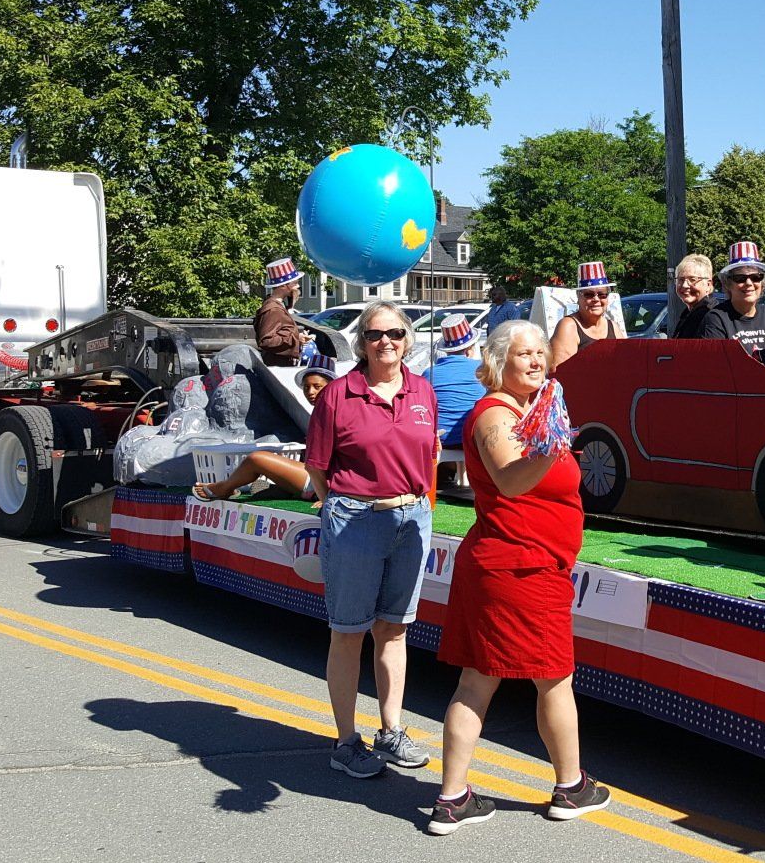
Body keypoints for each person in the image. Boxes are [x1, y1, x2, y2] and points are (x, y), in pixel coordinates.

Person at [430, 320, 611, 834]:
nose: (536, 361)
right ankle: (571, 787)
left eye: (539, 354)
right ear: (497, 364)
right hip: (519, 567)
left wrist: (548, 431)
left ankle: (452, 798)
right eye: (523, 355)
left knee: (478, 681)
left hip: (522, 564)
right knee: (552, 680)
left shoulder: (532, 411)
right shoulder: (493, 414)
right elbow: (510, 480)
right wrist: (551, 446)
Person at [304, 302, 437, 778]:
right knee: (348, 631)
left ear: (408, 339)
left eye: (396, 333)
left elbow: (430, 456)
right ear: (361, 341)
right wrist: (342, 507)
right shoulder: (339, 395)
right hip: (357, 518)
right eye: (376, 334)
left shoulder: (422, 390)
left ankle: (391, 729)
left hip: (411, 516)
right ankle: (345, 741)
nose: (387, 341)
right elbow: (317, 466)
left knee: (395, 628)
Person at [193, 362, 337, 500]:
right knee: (263, 464)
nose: (311, 392)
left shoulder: (331, 413)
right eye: (306, 387)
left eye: (317, 386)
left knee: (256, 459)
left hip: (325, 484)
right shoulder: (324, 411)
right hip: (319, 477)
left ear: (331, 386)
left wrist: (326, 497)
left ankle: (223, 488)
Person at [700, 241, 765, 371]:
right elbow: (716, 370)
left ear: (762, 283)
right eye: (740, 278)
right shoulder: (717, 320)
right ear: (728, 284)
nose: (749, 283)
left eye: (756, 277)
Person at [549, 261, 626, 369]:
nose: (596, 299)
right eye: (589, 294)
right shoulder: (568, 326)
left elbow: (626, 361)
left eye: (602, 294)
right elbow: (561, 373)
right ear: (578, 297)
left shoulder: (613, 326)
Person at [427, 317, 486, 448]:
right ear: (469, 349)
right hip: (475, 439)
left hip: (442, 440)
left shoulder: (429, 373)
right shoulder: (483, 369)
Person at [255, 257, 312, 367]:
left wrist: (297, 336)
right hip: (277, 366)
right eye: (295, 283)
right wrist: (297, 339)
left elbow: (281, 332)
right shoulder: (273, 309)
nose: (298, 286)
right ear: (283, 286)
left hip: (281, 364)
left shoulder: (278, 306)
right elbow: (266, 341)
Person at [668, 253, 717, 339]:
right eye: (681, 279)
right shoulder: (689, 313)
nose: (684, 285)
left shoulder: (710, 316)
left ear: (709, 285)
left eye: (692, 280)